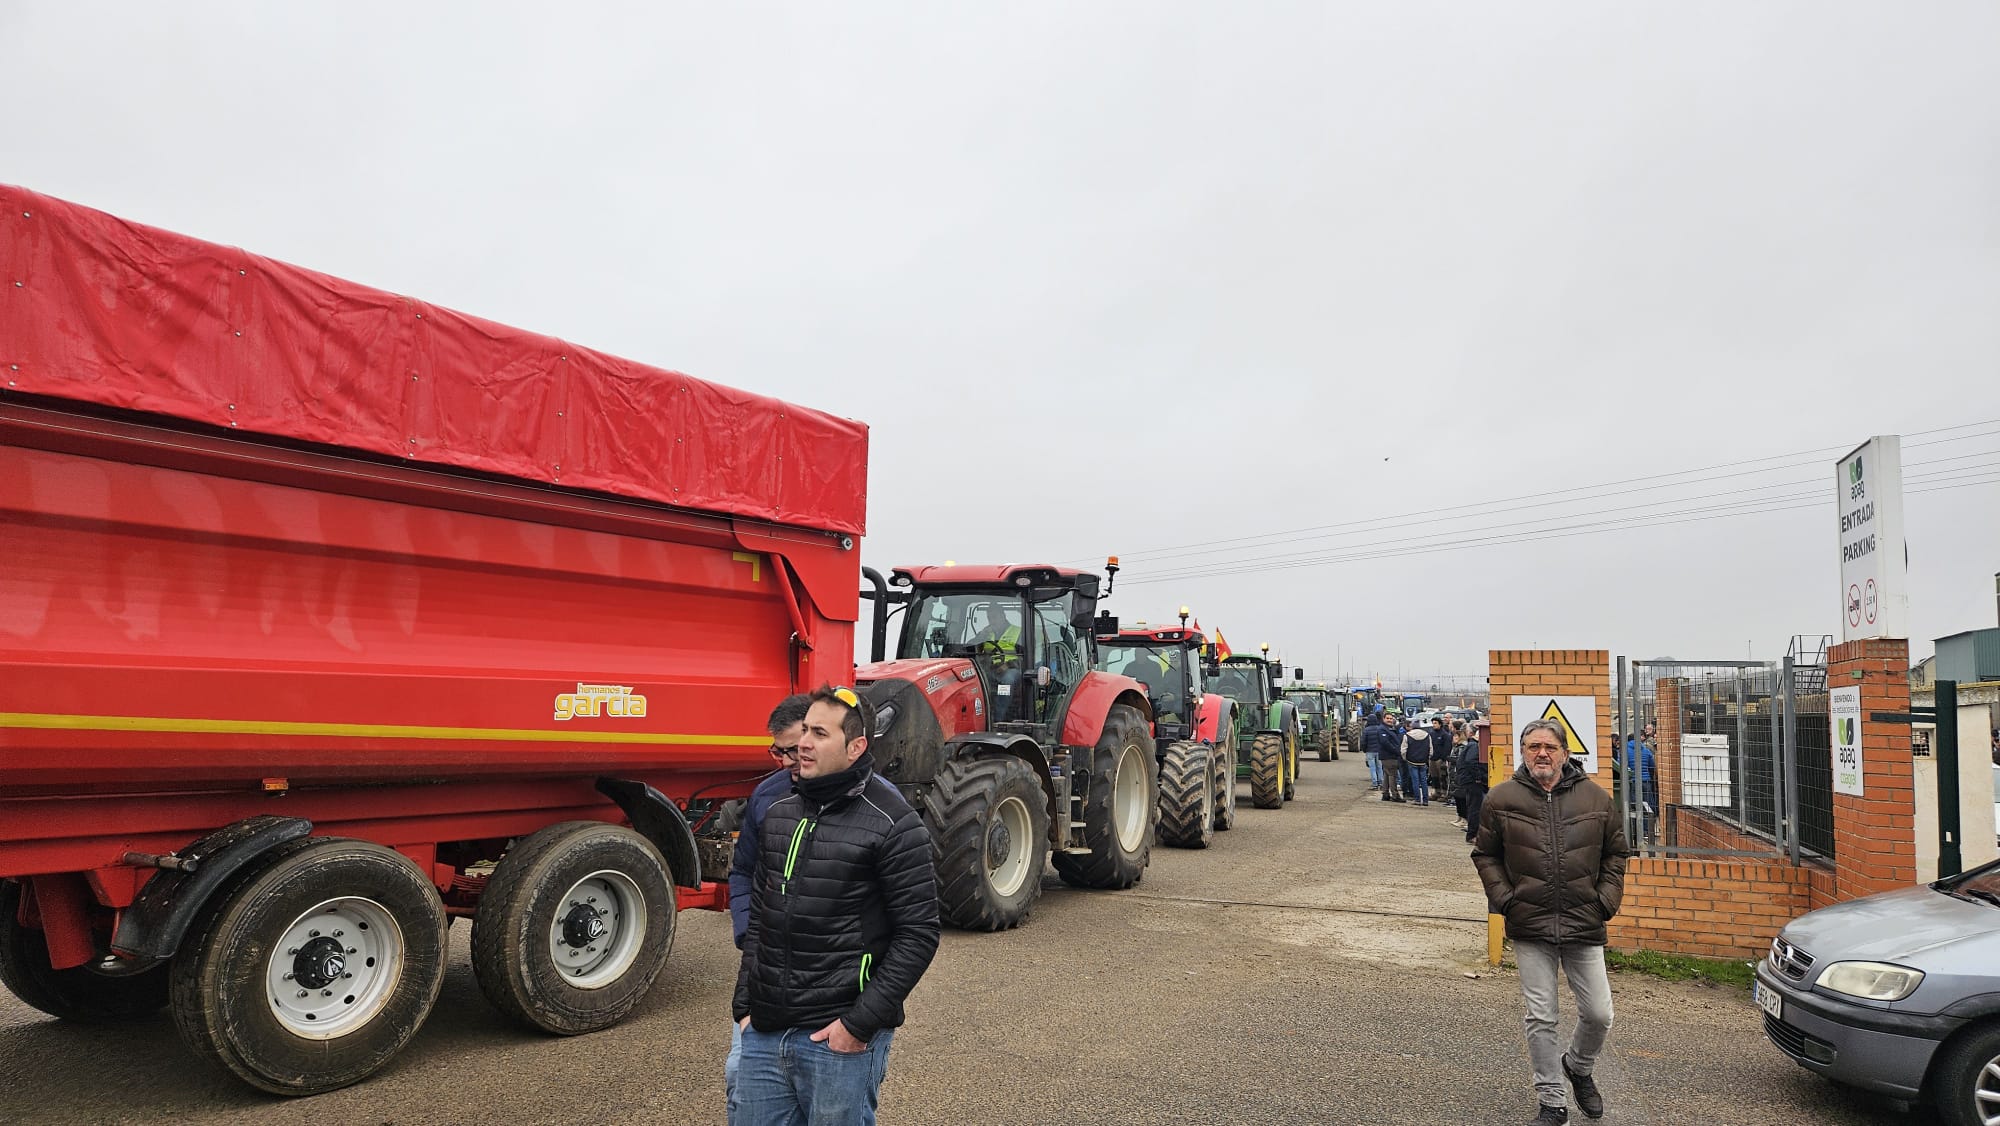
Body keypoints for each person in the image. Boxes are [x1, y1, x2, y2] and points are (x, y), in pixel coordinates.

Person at [732, 686, 940, 1126]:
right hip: (766, 1033)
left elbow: (918, 934)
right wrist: (746, 1007)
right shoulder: (780, 813)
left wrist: (858, 1025)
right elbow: (764, 918)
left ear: (855, 746)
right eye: (804, 729)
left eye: (819, 733)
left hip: (836, 1037)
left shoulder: (893, 824)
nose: (802, 743)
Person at [1473, 718, 1630, 1125]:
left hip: (1584, 920)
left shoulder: (1595, 798)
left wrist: (1605, 901)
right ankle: (1552, 1100)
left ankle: (1578, 1067)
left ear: (1564, 751)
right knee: (1541, 1016)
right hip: (1530, 923)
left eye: (1549, 746)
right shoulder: (1501, 799)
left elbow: (1616, 853)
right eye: (1532, 746)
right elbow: (1485, 854)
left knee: (1599, 1013)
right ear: (1523, 752)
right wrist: (1506, 900)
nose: (1541, 753)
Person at [724, 694, 813, 1118]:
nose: (785, 761)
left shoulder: (876, 806)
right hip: (765, 968)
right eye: (778, 751)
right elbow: (742, 873)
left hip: (830, 985)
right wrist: (747, 932)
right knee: (740, 1076)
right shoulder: (766, 796)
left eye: (792, 750)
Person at [1373, 712, 1405, 802]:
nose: (1390, 720)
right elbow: (1385, 743)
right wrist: (1396, 750)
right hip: (1389, 756)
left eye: (1391, 718)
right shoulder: (1382, 729)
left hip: (1389, 755)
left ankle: (1385, 794)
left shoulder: (1390, 728)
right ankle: (1395, 795)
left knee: (1387, 775)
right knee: (1392, 775)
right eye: (1388, 718)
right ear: (1383, 719)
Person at [1401, 721, 1434, 807]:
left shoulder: (1407, 735)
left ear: (1412, 727)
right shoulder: (1427, 735)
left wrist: (1405, 758)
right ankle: (1425, 800)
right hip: (1423, 761)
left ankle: (1417, 799)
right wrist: (1428, 758)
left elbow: (1403, 750)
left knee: (1415, 780)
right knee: (1423, 781)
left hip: (1412, 761)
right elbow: (1430, 749)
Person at [1362, 707, 1387, 790]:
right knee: (1379, 767)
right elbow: (1382, 740)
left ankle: (1374, 784)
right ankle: (1381, 783)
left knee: (1372, 768)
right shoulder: (1380, 729)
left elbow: (1363, 741)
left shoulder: (1366, 730)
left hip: (1370, 751)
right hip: (1379, 751)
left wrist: (1364, 750)